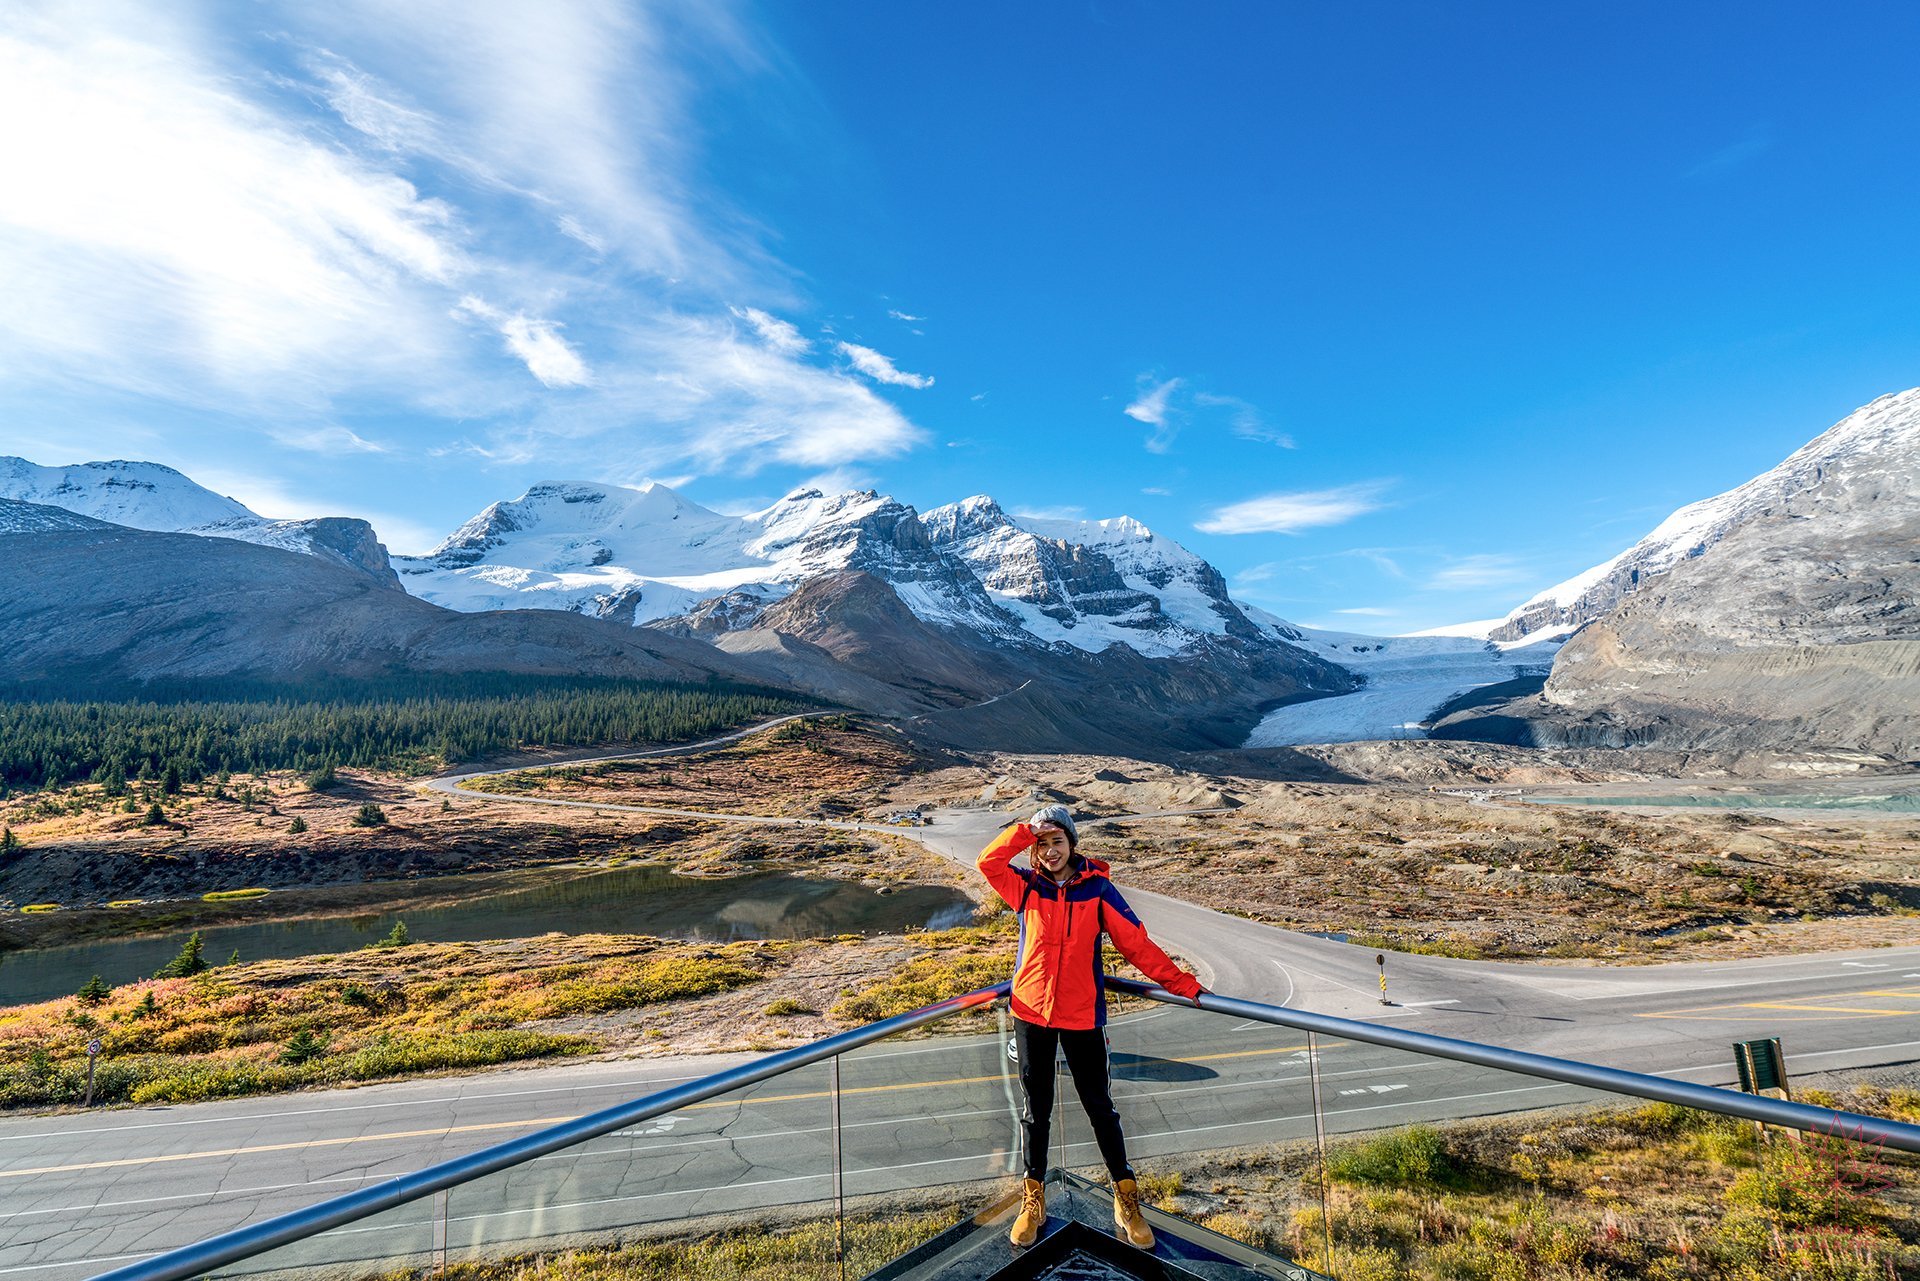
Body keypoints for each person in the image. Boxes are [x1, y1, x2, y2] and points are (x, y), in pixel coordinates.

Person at [977, 804, 1209, 1250]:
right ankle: (1033, 1200)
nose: (1049, 851)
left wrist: (1180, 982)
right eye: (1041, 845)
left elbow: (1135, 942)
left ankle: (1126, 1200)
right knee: (1035, 1112)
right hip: (1030, 1013)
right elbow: (987, 862)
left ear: (1072, 843)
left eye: (1056, 841)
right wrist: (1026, 830)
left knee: (1101, 1109)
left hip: (1082, 1015)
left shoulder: (1098, 889)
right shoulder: (1025, 887)